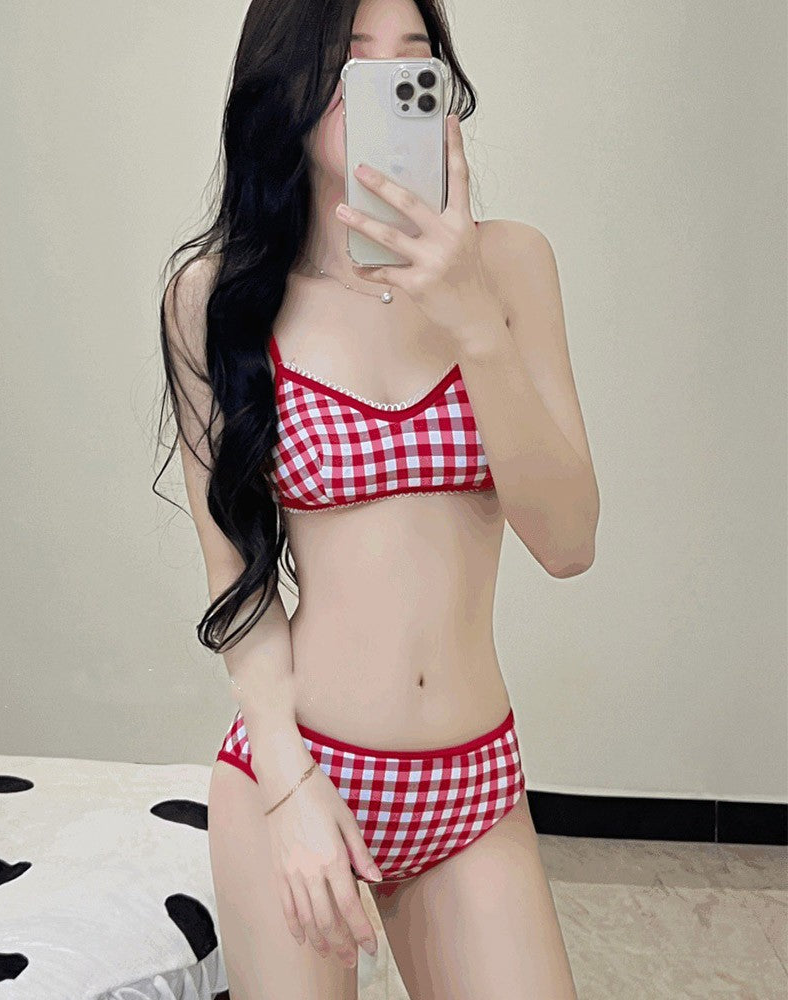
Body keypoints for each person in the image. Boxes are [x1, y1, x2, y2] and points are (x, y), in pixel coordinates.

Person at [157, 0, 598, 996]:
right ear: (287, 85)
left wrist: (472, 320)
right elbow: (236, 582)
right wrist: (289, 789)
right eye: (351, 61)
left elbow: (569, 541)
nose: (385, 83)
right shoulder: (215, 298)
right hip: (301, 765)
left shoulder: (513, 265)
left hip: (474, 786)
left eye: (413, 58)